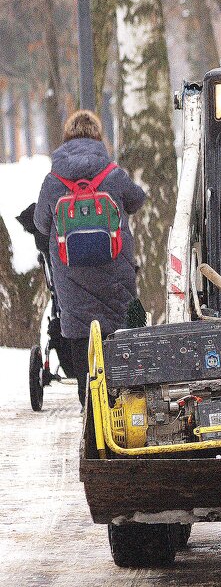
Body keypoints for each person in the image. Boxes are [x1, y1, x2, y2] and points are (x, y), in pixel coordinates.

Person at [34, 110, 145, 407]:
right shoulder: (113, 174)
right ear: (98, 138)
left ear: (66, 139)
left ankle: (89, 403)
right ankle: (120, 400)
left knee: (82, 334)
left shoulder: (53, 180)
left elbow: (42, 223)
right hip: (115, 267)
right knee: (116, 330)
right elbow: (137, 199)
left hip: (70, 273)